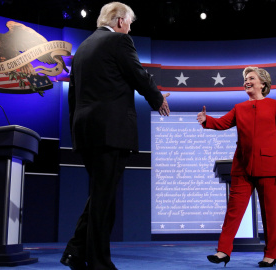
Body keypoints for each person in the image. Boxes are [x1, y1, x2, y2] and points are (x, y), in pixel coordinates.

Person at [62, 2, 170, 270]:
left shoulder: (82, 49)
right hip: (111, 131)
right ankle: (99, 263)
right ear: (120, 21)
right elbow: (138, 74)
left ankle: (75, 252)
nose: (130, 28)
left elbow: (72, 97)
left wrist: (76, 132)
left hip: (86, 131)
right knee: (104, 199)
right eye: (130, 23)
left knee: (100, 194)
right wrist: (156, 98)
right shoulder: (119, 42)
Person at [197, 67, 276, 268]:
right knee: (233, 211)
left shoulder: (274, 105)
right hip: (242, 166)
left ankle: (271, 254)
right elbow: (223, 123)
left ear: (263, 83)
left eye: (251, 78)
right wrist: (207, 121)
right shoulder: (239, 107)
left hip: (270, 165)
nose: (246, 81)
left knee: (270, 212)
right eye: (245, 79)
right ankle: (223, 251)